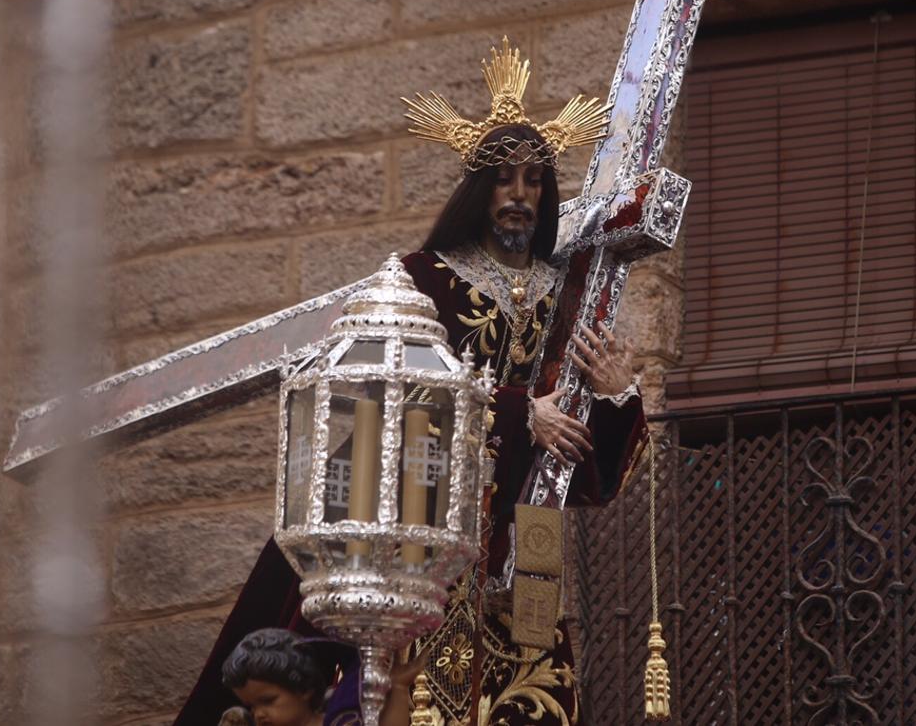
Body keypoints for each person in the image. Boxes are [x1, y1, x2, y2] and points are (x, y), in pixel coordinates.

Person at [174, 39, 647, 726]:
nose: (519, 196)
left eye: (534, 181)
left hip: (530, 539)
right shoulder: (420, 281)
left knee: (535, 704)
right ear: (476, 188)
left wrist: (612, 395)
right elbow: (394, 394)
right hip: (432, 533)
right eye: (503, 179)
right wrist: (521, 415)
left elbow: (591, 468)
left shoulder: (569, 294)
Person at [216, 629, 417, 726]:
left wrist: (398, 688)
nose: (258, 715)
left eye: (268, 701)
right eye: (251, 707)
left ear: (304, 689)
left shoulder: (341, 719)